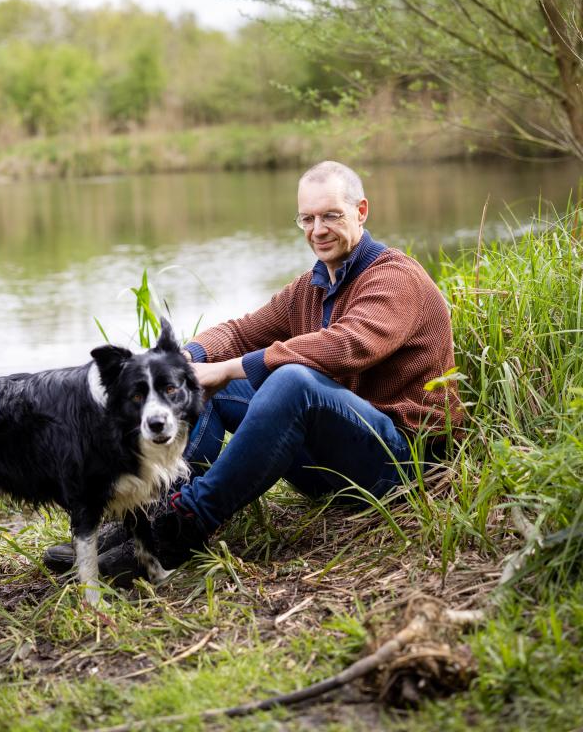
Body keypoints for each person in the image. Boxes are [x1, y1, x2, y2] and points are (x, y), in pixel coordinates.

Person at [44, 160, 464, 578]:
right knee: (196, 384)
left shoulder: (393, 278)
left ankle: (184, 525)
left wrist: (230, 369)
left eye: (331, 215)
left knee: (292, 381)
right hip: (335, 462)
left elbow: (347, 346)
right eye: (308, 218)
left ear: (361, 211)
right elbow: (243, 331)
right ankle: (150, 519)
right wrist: (186, 362)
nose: (318, 229)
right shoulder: (312, 285)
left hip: (400, 465)